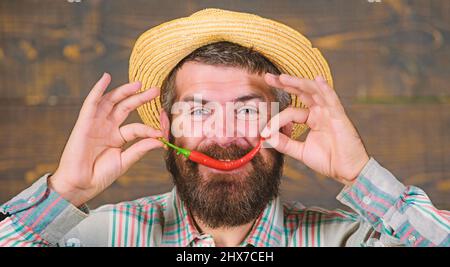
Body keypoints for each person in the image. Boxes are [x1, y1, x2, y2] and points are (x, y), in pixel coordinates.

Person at [0, 9, 448, 247]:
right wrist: (64, 193)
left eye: (249, 111)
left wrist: (360, 175)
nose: (224, 133)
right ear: (168, 131)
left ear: (284, 128)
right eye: (196, 111)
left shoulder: (358, 241)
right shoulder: (89, 238)